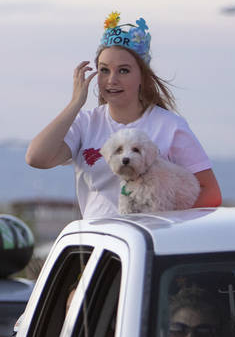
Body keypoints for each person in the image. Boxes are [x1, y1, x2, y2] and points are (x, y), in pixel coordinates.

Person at [26, 12, 221, 218]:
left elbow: (211, 192)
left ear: (142, 77)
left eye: (124, 70)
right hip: (101, 244)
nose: (112, 80)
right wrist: (75, 104)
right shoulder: (85, 123)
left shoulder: (170, 126)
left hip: (152, 241)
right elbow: (37, 158)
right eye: (104, 70)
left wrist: (167, 226)